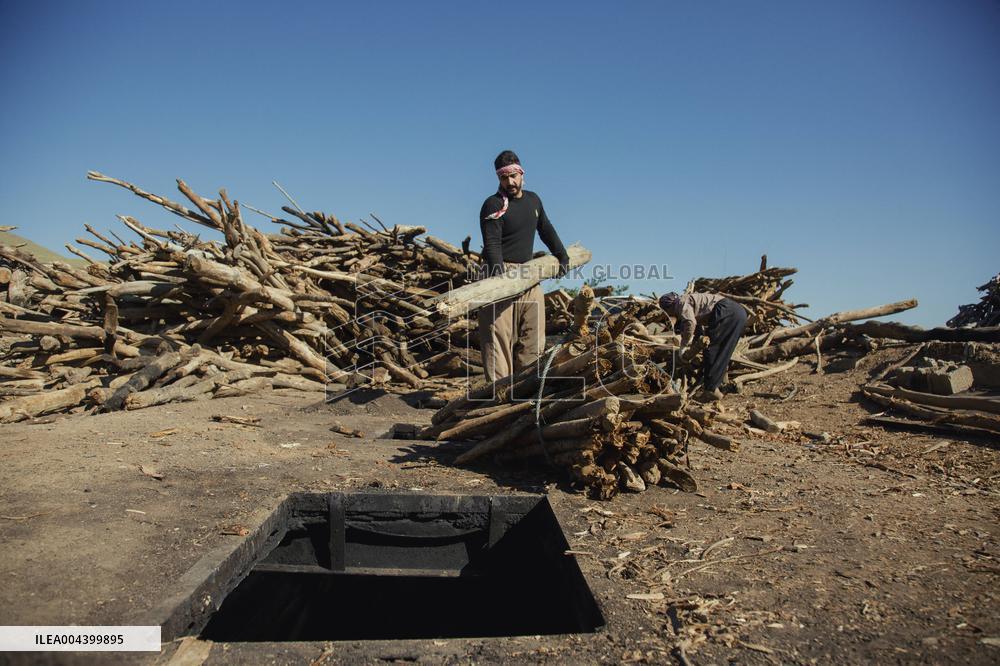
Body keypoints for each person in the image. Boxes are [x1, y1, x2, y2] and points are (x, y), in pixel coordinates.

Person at [477, 150, 570, 383]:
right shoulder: (493, 204)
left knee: (533, 335)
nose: (510, 182)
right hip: (498, 273)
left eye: (513, 176)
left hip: (528, 275)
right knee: (498, 335)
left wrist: (562, 255)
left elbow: (545, 228)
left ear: (521, 174)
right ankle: (499, 394)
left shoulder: (533, 200)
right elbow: (492, 243)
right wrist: (499, 280)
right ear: (499, 179)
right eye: (504, 178)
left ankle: (526, 388)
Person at [659, 291, 748, 401]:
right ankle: (717, 387)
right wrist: (694, 347)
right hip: (738, 312)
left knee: (711, 350)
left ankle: (710, 390)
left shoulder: (681, 303)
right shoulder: (690, 302)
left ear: (669, 307)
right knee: (723, 351)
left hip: (726, 310)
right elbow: (698, 330)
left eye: (666, 311)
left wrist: (684, 346)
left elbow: (690, 323)